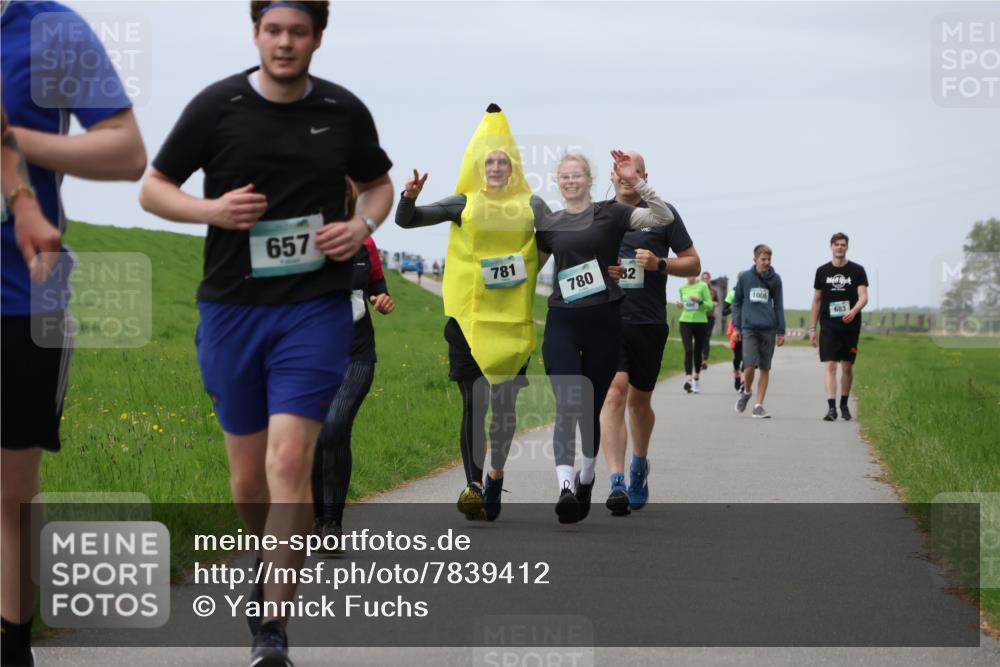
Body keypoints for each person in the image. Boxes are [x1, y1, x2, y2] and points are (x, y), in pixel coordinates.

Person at [138, 3, 393, 664]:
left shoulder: (344, 110)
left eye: (298, 31)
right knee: (249, 478)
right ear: (256, 34)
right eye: (273, 30)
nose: (285, 43)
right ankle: (268, 554)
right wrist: (211, 209)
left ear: (317, 37)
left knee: (288, 464)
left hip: (314, 308)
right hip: (231, 310)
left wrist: (360, 228)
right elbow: (153, 189)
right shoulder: (217, 106)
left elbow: (378, 187)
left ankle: (270, 626)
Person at [2, 3, 147, 665]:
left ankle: (13, 642)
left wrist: (13, 141)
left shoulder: (53, 29)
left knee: (11, 491)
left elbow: (126, 152)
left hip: (20, 295)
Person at [396, 104, 548, 521]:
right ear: (479, 167)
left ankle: (495, 476)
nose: (496, 167)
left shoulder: (531, 204)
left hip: (511, 323)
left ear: (513, 166)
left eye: (503, 161)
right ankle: (474, 484)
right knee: (473, 402)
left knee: (504, 407)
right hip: (466, 320)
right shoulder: (463, 202)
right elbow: (408, 222)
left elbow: (561, 239)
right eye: (489, 162)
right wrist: (408, 198)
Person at [537, 151, 674, 523]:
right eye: (564, 175)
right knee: (568, 404)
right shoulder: (549, 224)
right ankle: (565, 487)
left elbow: (663, 217)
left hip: (605, 323)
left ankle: (586, 478)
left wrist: (636, 180)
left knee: (590, 408)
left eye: (577, 175)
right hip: (562, 321)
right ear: (557, 181)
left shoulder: (612, 213)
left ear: (590, 179)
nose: (570, 180)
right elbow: (526, 268)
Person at [597, 150, 698, 516]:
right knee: (613, 394)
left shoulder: (662, 215)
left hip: (649, 322)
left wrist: (658, 263)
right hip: (608, 319)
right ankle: (616, 481)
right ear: (612, 175)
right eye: (619, 170)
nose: (624, 176)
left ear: (644, 175)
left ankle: (639, 463)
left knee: (639, 404)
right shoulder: (599, 213)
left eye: (633, 171)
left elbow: (693, 261)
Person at [312, 203, 395, 545]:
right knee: (318, 436)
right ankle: (317, 518)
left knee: (334, 425)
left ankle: (331, 523)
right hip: (311, 357)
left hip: (357, 354)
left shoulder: (367, 245)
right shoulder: (301, 241)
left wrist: (383, 300)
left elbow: (378, 289)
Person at [810, 233, 868, 421]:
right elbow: (817, 300)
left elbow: (863, 296)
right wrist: (812, 328)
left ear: (847, 247)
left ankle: (844, 403)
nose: (840, 248)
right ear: (831, 247)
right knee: (831, 365)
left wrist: (854, 311)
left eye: (843, 245)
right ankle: (831, 407)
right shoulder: (822, 271)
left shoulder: (857, 270)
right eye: (836, 245)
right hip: (828, 325)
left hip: (850, 326)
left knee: (847, 366)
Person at [733, 245, 785, 419]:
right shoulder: (745, 278)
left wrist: (781, 331)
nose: (767, 262)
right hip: (749, 328)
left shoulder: (775, 280)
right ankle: (747, 392)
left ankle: (758, 405)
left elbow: (778, 305)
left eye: (769, 259)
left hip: (768, 328)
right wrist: (736, 327)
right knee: (749, 366)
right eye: (763, 259)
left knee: (765, 367)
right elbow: (737, 303)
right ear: (755, 259)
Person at [676, 275, 714, 394]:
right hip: (685, 321)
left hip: (700, 322)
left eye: (692, 274)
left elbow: (710, 305)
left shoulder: (702, 286)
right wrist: (680, 305)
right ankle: (689, 379)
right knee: (688, 350)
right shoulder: (682, 288)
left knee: (698, 352)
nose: (690, 276)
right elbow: (684, 303)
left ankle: (696, 377)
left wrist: (699, 301)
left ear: (696, 275)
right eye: (688, 274)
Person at [722, 285, 743, 391]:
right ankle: (737, 375)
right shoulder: (732, 293)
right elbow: (724, 311)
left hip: (750, 327)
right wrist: (734, 307)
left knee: (747, 356)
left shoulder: (751, 292)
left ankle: (743, 380)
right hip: (736, 327)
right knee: (738, 356)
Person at [700, 271, 719, 370]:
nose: (705, 280)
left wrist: (714, 303)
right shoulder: (698, 289)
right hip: (699, 316)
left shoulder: (713, 291)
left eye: (707, 278)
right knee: (700, 338)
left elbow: (717, 302)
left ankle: (705, 360)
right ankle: (699, 359)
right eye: (703, 278)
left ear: (709, 279)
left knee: (706, 338)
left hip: (710, 316)